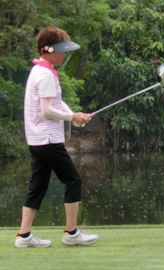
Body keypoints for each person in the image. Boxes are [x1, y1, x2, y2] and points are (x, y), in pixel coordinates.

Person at [16, 26, 98, 248]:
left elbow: (55, 102)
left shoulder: (40, 70)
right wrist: (71, 116)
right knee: (73, 180)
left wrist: (74, 117)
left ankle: (24, 236)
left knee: (38, 186)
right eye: (61, 49)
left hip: (37, 140)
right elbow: (47, 111)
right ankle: (72, 233)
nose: (64, 54)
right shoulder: (45, 75)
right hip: (48, 140)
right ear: (48, 50)